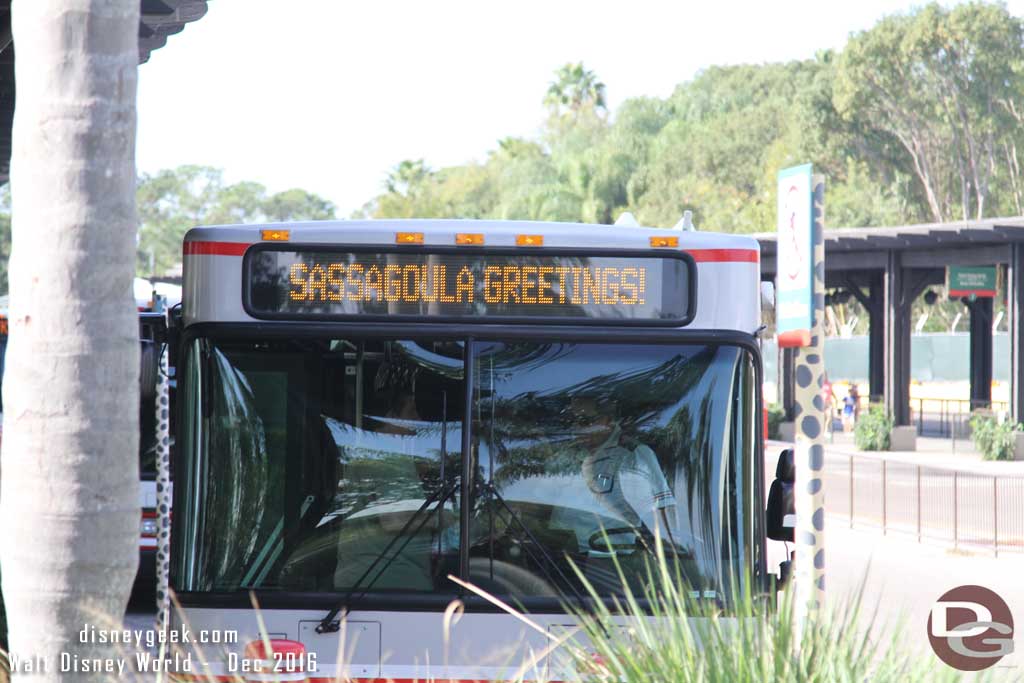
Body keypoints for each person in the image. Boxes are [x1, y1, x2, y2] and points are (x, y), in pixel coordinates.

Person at [570, 396, 677, 544]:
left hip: (627, 556)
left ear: (608, 421)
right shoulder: (578, 459)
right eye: (573, 422)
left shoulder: (634, 455)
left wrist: (671, 550)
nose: (577, 429)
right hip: (573, 556)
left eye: (585, 421)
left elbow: (660, 512)